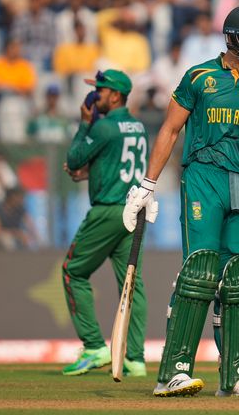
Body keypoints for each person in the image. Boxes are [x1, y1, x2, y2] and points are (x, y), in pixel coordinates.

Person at [122, 4, 239, 398]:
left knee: (235, 279)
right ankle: (173, 372)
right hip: (204, 177)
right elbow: (169, 130)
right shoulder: (199, 77)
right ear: (233, 39)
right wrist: (148, 184)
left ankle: (236, 375)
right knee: (201, 270)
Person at [57, 69, 150, 377]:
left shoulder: (105, 127)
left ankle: (95, 347)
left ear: (115, 95)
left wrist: (85, 123)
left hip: (108, 210)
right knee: (131, 284)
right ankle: (134, 359)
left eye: (100, 90)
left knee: (73, 272)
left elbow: (73, 158)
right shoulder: (137, 127)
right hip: (133, 210)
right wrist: (91, 173)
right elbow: (119, 164)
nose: (95, 96)